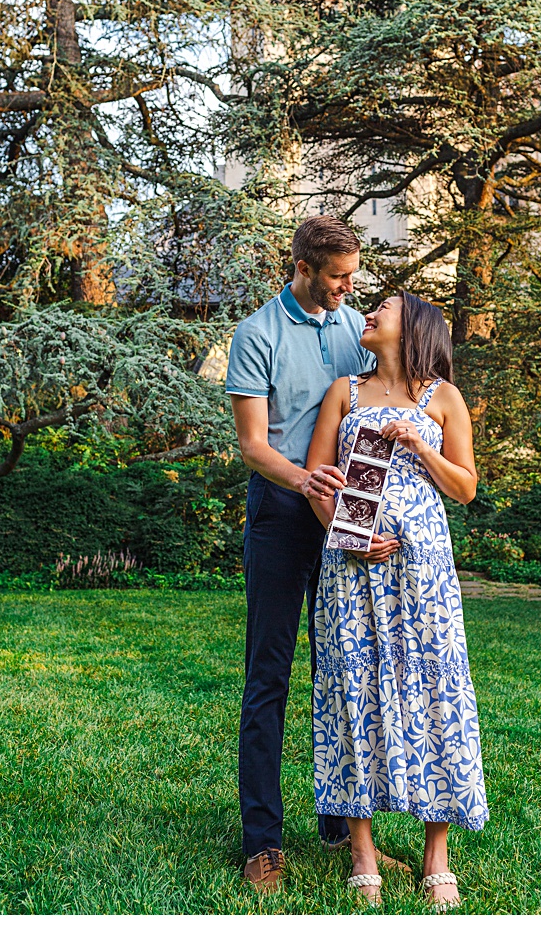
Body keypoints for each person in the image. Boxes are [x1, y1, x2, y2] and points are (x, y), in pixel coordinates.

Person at [226, 216, 410, 891]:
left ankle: (342, 833)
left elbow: (379, 407)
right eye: (338, 276)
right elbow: (252, 444)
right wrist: (303, 479)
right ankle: (262, 843)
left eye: (353, 276)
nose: (348, 287)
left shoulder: (352, 325)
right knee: (269, 677)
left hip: (345, 518)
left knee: (342, 675)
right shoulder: (257, 335)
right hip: (281, 514)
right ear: (303, 267)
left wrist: (366, 517)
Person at [303, 290, 487, 910]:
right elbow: (317, 481)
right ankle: (361, 850)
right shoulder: (343, 393)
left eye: (383, 306)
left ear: (412, 327)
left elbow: (464, 487)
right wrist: (345, 535)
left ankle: (437, 852)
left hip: (423, 567)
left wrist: (421, 445)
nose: (370, 313)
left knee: (433, 686)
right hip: (352, 566)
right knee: (353, 686)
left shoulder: (443, 397)